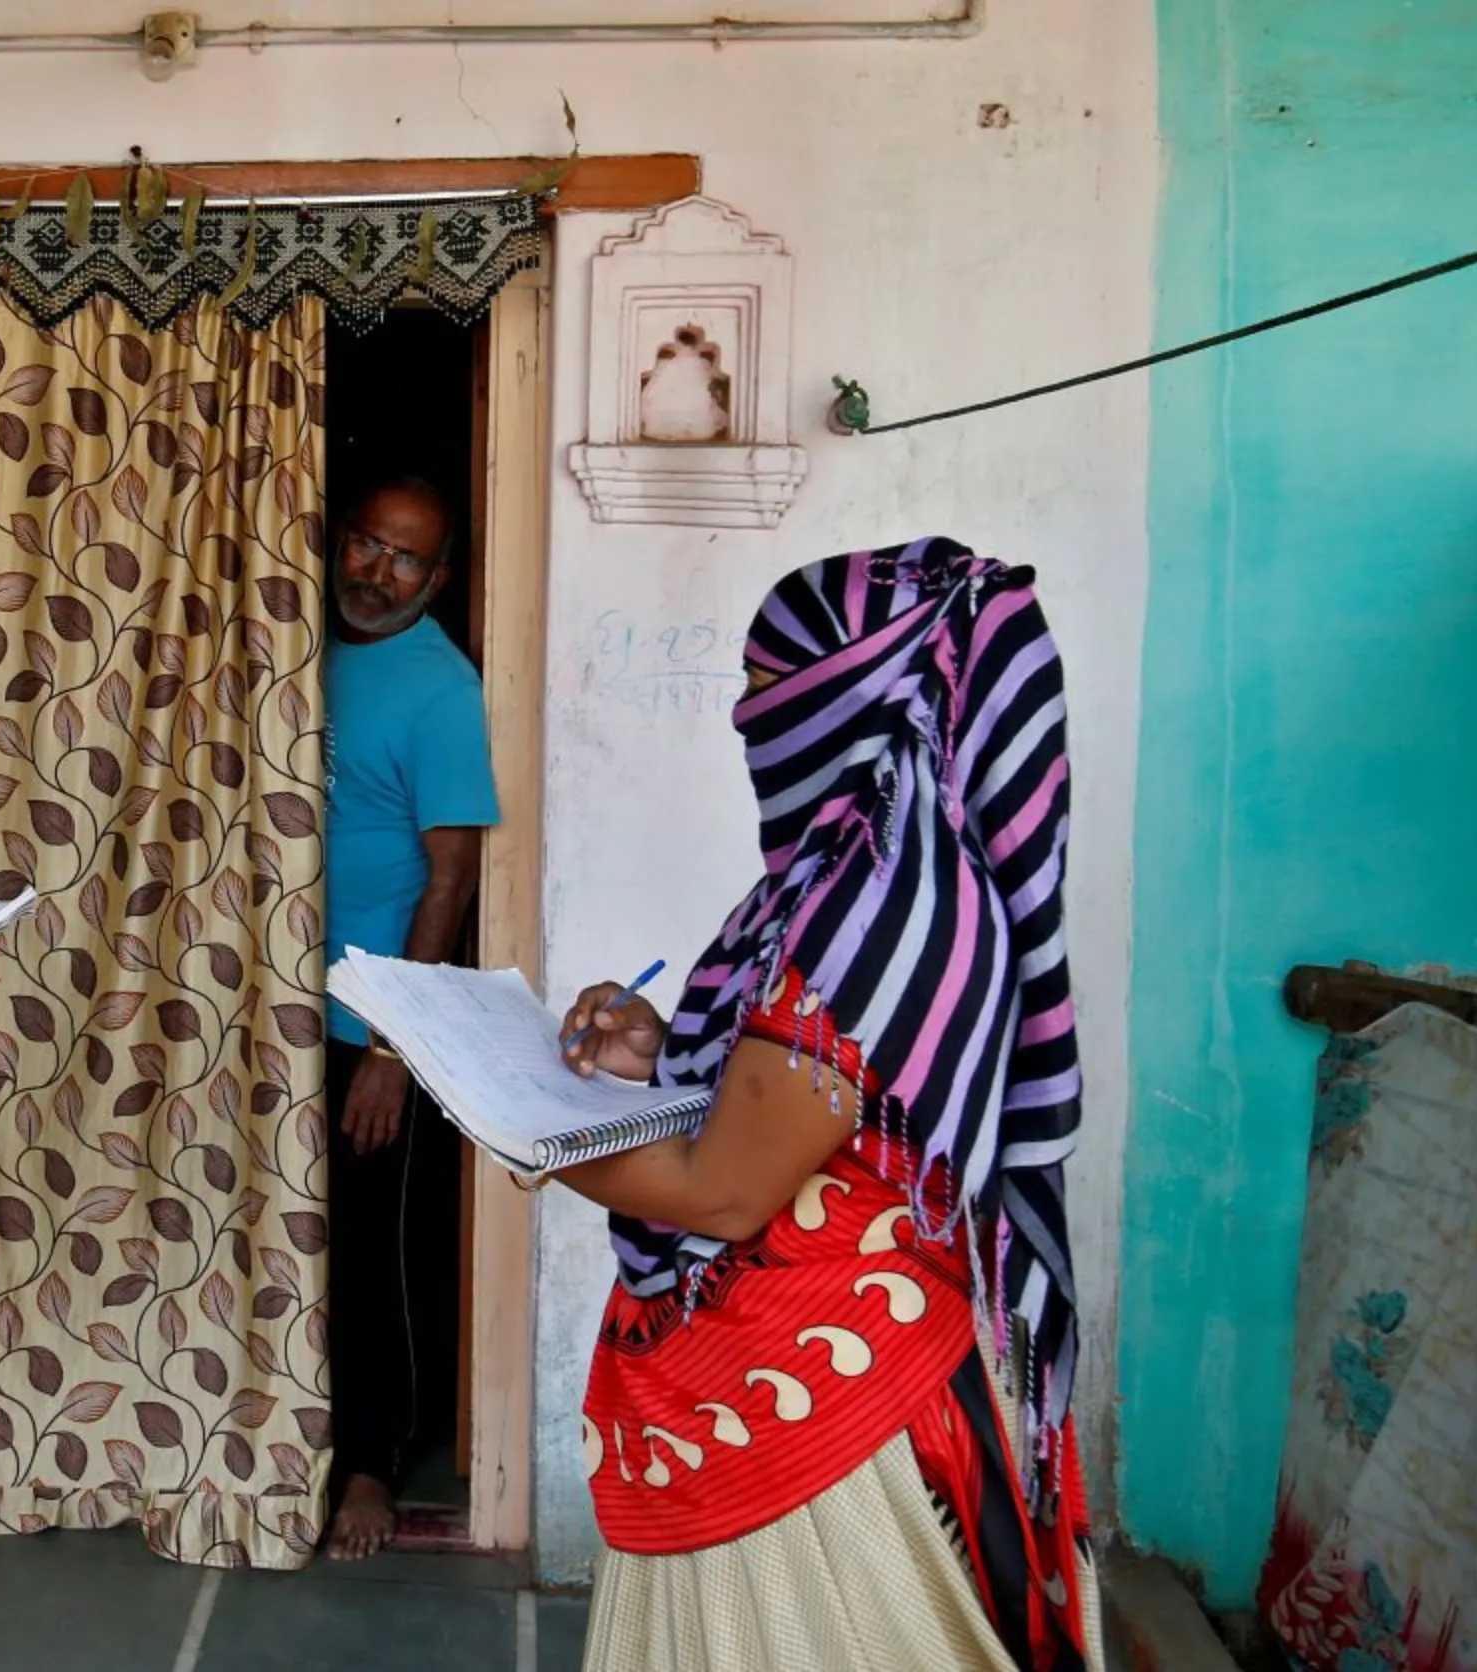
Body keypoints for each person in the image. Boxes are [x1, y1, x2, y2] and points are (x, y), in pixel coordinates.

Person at [554, 538, 1104, 1670]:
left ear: (843, 694)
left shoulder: (879, 905)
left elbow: (725, 1189)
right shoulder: (863, 877)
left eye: (766, 684)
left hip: (819, 1414)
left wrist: (513, 1123)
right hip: (847, 1361)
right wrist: (664, 1050)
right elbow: (810, 1087)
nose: (747, 715)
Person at [321, 476, 500, 1561]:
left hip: (368, 1018)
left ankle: (372, 1463)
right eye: (368, 545)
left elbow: (453, 873)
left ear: (437, 580)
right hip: (261, 1003)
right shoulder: (282, 631)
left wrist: (396, 1043)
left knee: (377, 1250)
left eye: (405, 559)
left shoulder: (442, 689)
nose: (376, 572)